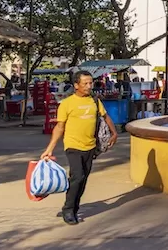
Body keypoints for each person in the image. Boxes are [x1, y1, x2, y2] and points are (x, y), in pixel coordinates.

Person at [41, 70, 117, 225]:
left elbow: (105, 116)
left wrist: (114, 133)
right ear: (76, 85)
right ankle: (68, 209)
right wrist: (50, 148)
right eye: (85, 84)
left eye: (91, 83)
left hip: (90, 146)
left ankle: (74, 208)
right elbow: (60, 127)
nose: (89, 86)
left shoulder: (94, 101)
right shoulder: (67, 104)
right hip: (73, 146)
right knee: (78, 176)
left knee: (83, 179)